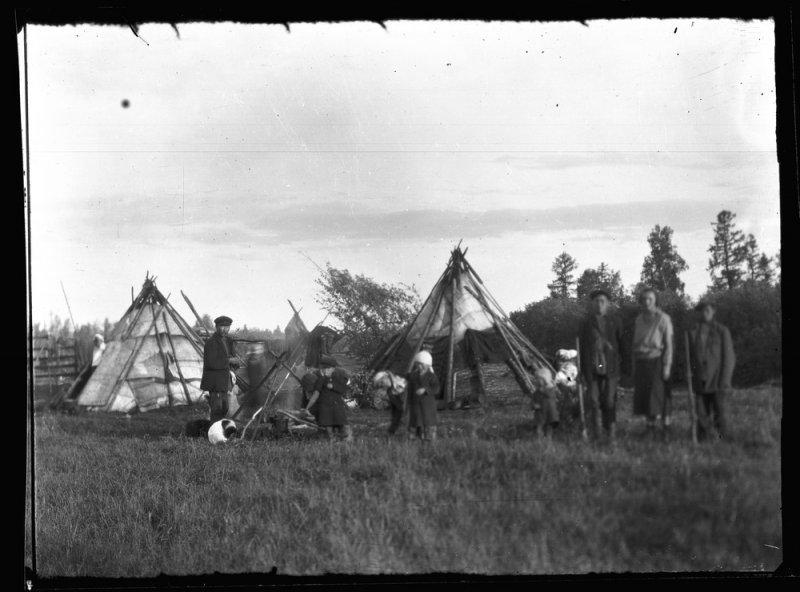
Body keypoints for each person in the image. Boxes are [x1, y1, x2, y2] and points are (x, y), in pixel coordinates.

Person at [578, 288, 628, 442]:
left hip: (610, 368)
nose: (599, 304)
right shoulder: (586, 324)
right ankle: (597, 433)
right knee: (593, 401)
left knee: (609, 400)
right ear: (592, 304)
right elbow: (582, 348)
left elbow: (623, 345)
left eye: (602, 301)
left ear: (608, 304)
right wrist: (582, 370)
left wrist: (625, 367)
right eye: (596, 301)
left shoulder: (615, 321)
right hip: (592, 368)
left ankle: (610, 432)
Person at [688, 301, 736, 441]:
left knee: (720, 411)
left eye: (708, 310)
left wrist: (725, 380)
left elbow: (729, 358)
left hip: (716, 378)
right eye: (702, 310)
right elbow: (690, 357)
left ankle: (722, 439)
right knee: (701, 412)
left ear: (713, 311)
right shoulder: (693, 331)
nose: (705, 313)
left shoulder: (721, 331)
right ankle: (704, 439)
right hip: (699, 378)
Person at [632, 288, 674, 435]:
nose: (646, 302)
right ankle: (650, 428)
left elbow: (668, 345)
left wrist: (667, 366)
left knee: (659, 394)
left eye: (650, 299)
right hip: (642, 361)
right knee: (645, 396)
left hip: (658, 360)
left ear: (655, 300)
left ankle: (666, 428)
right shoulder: (639, 319)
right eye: (643, 299)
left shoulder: (663, 318)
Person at [200, 315, 239, 422]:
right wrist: (230, 361)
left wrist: (236, 362)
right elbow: (211, 363)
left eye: (227, 327)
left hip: (225, 381)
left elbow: (233, 357)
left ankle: (219, 431)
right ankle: (213, 433)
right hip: (215, 381)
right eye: (222, 327)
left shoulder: (229, 341)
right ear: (216, 327)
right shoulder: (211, 342)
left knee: (225, 408)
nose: (224, 329)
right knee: (217, 409)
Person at [304, 357, 353, 441]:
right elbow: (316, 393)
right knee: (327, 423)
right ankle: (331, 438)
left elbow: (343, 389)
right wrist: (308, 407)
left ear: (333, 369)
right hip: (325, 406)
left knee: (342, 423)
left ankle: (346, 437)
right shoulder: (320, 379)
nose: (325, 370)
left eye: (328, 368)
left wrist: (333, 386)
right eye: (323, 368)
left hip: (337, 404)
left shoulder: (338, 377)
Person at [406, 350, 441, 442]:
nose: (420, 367)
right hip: (415, 406)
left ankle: (429, 441)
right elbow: (410, 390)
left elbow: (436, 389)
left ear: (428, 365)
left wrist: (425, 390)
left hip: (428, 406)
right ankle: (415, 440)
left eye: (422, 364)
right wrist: (408, 403)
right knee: (416, 422)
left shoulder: (431, 376)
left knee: (428, 423)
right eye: (418, 364)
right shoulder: (413, 376)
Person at [531, 367, 560, 438]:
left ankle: (548, 440)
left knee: (549, 428)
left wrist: (542, 391)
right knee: (539, 429)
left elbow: (550, 398)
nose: (537, 381)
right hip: (540, 414)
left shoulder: (551, 390)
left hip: (550, 413)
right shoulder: (536, 392)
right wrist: (533, 405)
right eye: (536, 379)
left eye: (539, 379)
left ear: (545, 379)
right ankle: (540, 441)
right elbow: (534, 399)